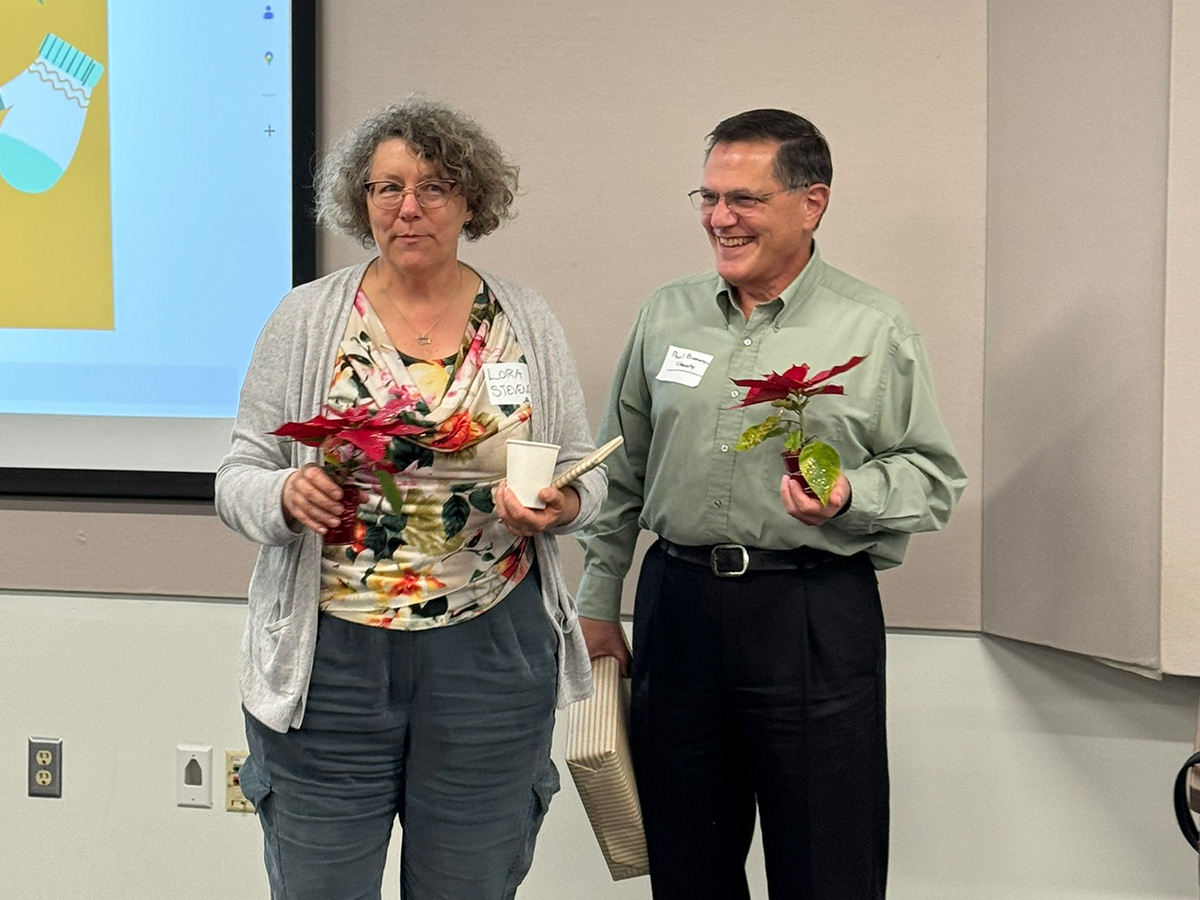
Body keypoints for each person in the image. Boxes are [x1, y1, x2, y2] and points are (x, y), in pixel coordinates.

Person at [215, 96, 605, 900]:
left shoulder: (524, 320)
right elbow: (237, 477)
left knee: (469, 884)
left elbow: (583, 471)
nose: (408, 207)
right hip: (330, 663)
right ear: (361, 203)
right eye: (386, 188)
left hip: (493, 651)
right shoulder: (307, 318)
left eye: (432, 186)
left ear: (472, 200)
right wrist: (286, 493)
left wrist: (562, 507)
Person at [576, 108, 966, 899]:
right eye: (709, 196)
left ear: (811, 203)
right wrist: (596, 602)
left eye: (744, 199)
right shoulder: (666, 314)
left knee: (828, 866)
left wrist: (852, 494)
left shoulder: (875, 324)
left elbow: (932, 475)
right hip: (676, 609)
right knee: (687, 867)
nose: (720, 218)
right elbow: (621, 471)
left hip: (811, 612)